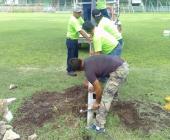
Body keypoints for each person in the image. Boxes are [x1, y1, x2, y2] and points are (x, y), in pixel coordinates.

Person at [69, 55, 129, 132]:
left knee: (106, 97)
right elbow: (98, 71)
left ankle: (99, 126)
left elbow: (99, 89)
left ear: (78, 70)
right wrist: (93, 85)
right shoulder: (88, 59)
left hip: (119, 70)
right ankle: (114, 100)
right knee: (111, 87)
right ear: (80, 59)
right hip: (121, 63)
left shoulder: (88, 71)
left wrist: (97, 102)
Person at [66, 5, 91, 76]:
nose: (80, 14)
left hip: (75, 40)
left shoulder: (79, 18)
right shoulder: (73, 20)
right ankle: (69, 70)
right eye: (78, 12)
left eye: (80, 12)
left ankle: (75, 68)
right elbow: (81, 31)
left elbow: (84, 24)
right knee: (71, 56)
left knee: (75, 56)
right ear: (74, 12)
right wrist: (88, 38)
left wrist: (91, 29)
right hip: (71, 40)